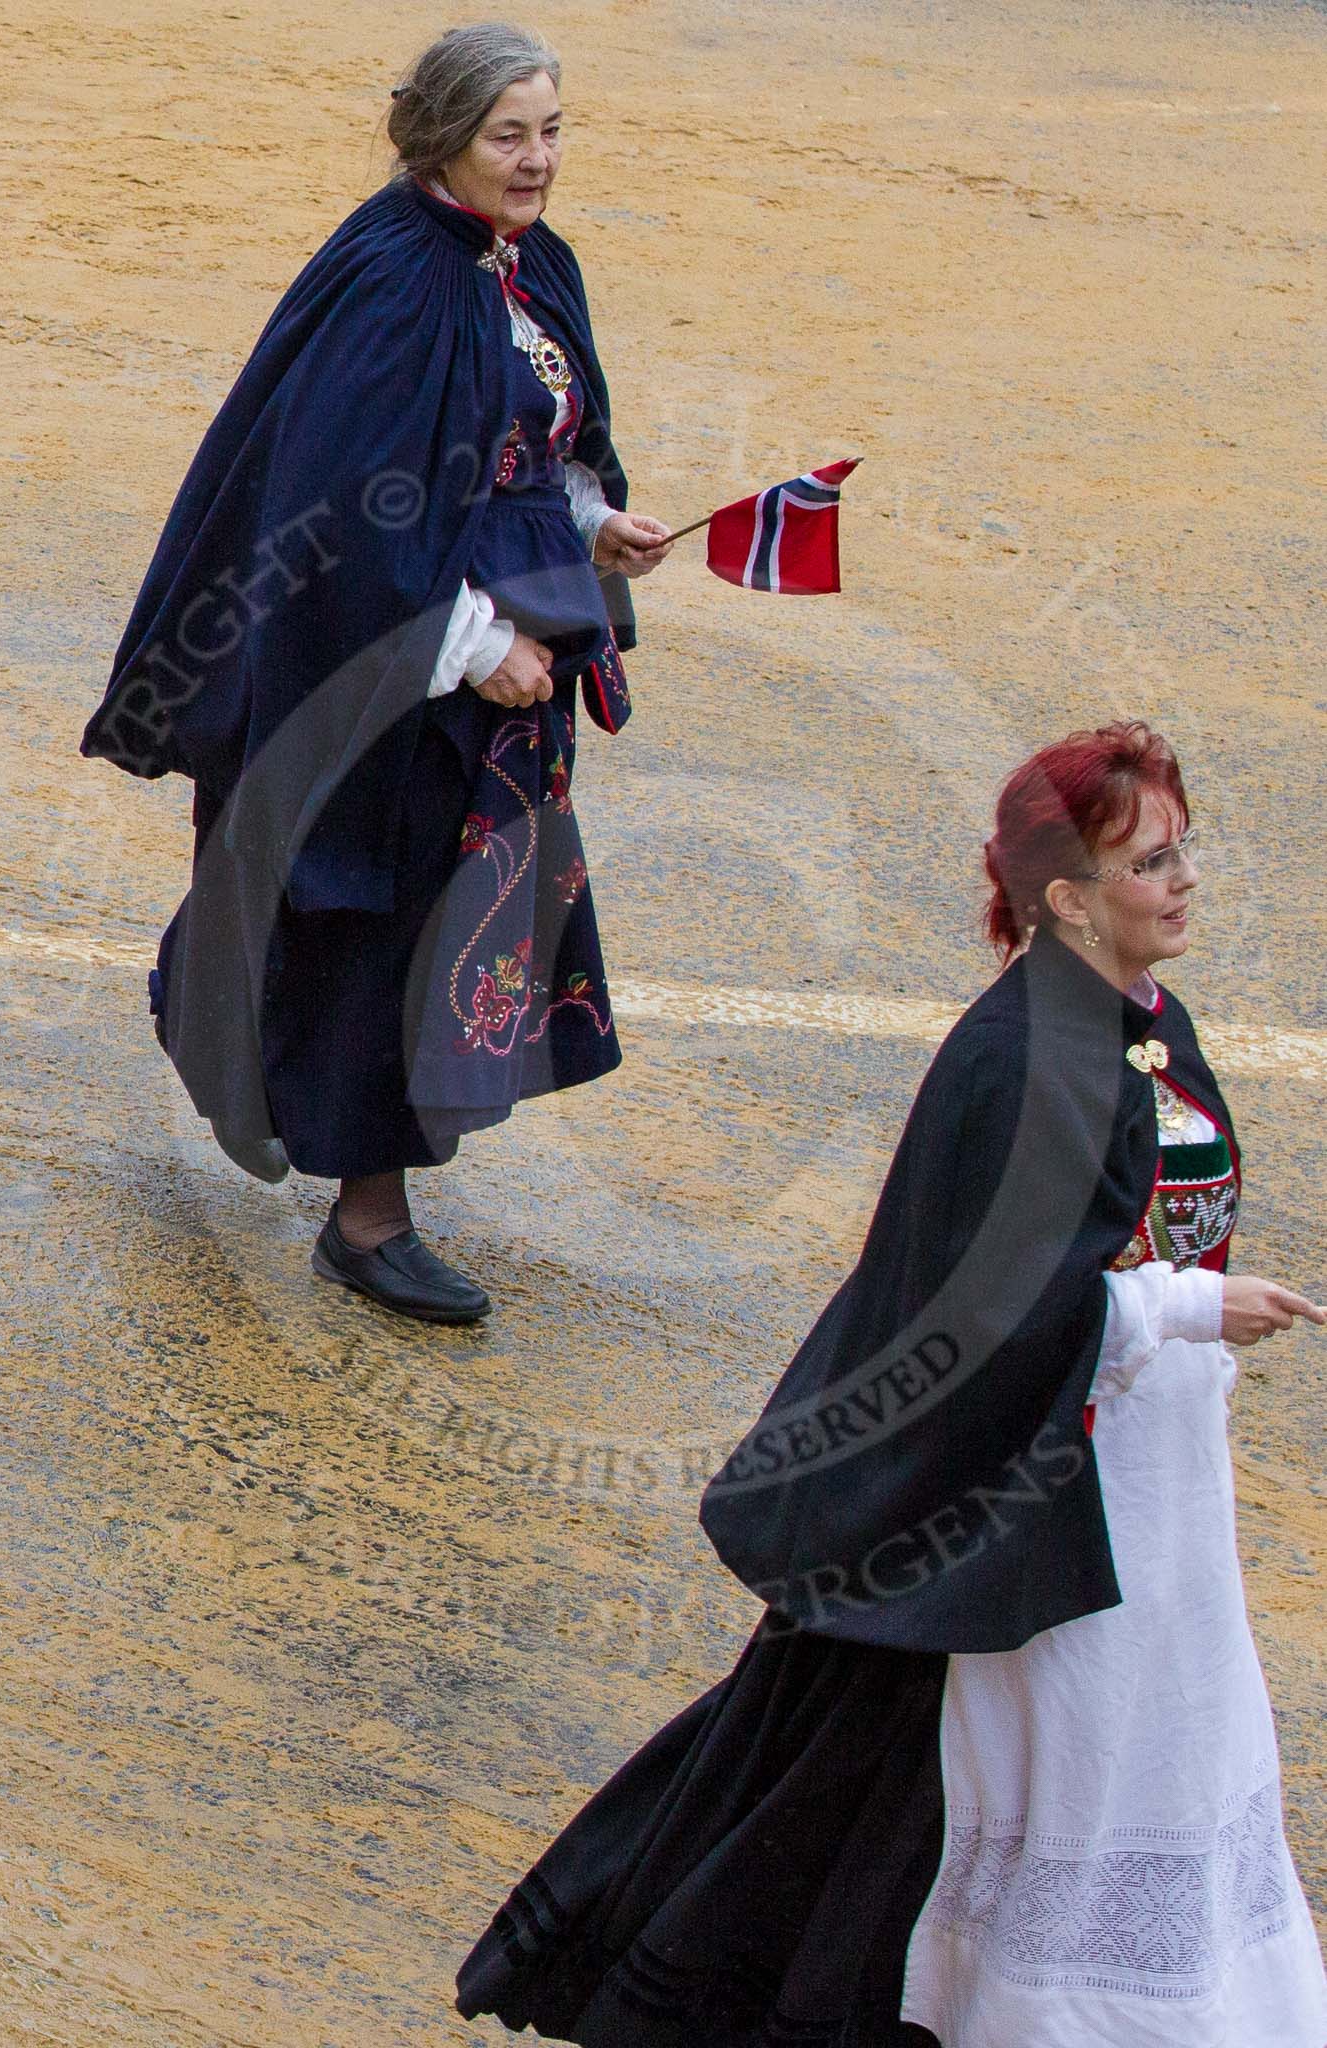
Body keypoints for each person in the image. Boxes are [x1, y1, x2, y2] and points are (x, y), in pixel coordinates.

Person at [456, 721, 1327, 2045]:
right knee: (1034, 1766)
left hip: (1145, 1474)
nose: (1181, 879)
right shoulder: (1020, 1058)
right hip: (1045, 1485)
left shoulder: (1139, 1017)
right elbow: (991, 1311)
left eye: (1180, 849)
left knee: (1158, 1741)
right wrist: (1191, 1304)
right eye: (1150, 860)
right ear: (1063, 895)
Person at [80, 23, 671, 1321]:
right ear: (441, 138)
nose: (536, 159)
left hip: (492, 665)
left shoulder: (526, 265)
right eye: (508, 134)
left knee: (442, 919)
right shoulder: (402, 283)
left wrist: (591, 526)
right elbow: (344, 514)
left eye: (552, 129)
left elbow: (537, 442)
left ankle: (213, 995)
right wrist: (473, 646)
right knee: (384, 930)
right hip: (397, 676)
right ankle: (366, 1218)